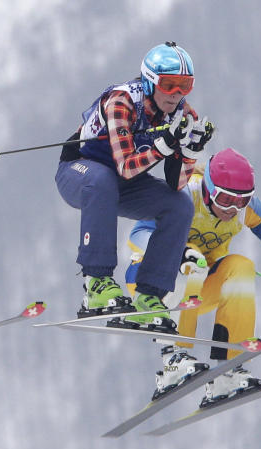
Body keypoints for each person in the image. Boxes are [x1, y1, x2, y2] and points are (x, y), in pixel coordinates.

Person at [125, 148, 261, 404]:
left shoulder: (245, 210)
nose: (233, 209)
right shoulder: (185, 193)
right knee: (195, 260)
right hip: (149, 284)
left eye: (242, 200)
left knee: (241, 267)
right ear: (209, 189)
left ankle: (229, 368)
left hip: (196, 291)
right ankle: (173, 358)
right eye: (224, 199)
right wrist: (179, 253)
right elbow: (137, 236)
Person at [56, 41, 214, 329]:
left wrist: (190, 150)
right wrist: (165, 145)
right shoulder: (122, 102)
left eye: (185, 86)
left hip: (122, 184)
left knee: (178, 205)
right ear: (151, 81)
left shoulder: (183, 115)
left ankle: (150, 294)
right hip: (80, 172)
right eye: (169, 84)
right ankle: (97, 283)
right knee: (101, 179)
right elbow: (126, 167)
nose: (176, 94)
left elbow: (175, 183)